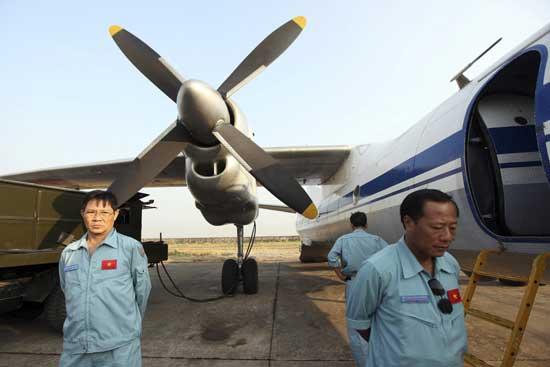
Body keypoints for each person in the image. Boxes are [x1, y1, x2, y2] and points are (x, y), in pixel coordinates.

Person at [346, 189, 467, 367]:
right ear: (409, 222)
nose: (447, 237)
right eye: (437, 228)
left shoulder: (450, 265)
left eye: (453, 228)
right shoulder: (377, 270)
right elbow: (359, 327)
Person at [58, 190, 152, 367]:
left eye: (104, 212)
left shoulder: (130, 248)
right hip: (76, 347)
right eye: (91, 212)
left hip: (119, 348)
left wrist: (129, 328)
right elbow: (67, 290)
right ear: (83, 214)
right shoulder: (69, 253)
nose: (97, 218)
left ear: (115, 215)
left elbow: (142, 293)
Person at [327, 211, 388, 367]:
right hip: (376, 282)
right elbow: (389, 257)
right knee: (379, 318)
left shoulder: (343, 240)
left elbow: (332, 257)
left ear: (351, 225)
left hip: (354, 282)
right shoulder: (377, 240)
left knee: (356, 324)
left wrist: (340, 275)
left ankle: (364, 362)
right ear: (366, 225)